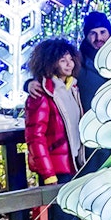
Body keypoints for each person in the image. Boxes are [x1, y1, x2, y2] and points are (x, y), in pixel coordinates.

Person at [24, 39, 84, 187]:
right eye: (63, 60)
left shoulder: (72, 88)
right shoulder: (41, 94)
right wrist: (48, 174)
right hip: (56, 169)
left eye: (70, 59)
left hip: (73, 164)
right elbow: (35, 137)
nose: (69, 64)